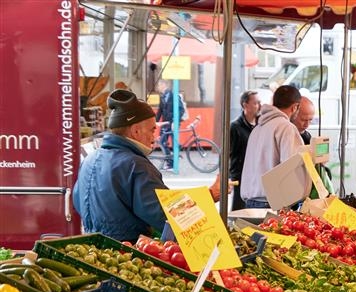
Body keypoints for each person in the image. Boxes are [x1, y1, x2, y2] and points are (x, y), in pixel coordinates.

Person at [73, 89, 224, 242]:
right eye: (152, 130)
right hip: (127, 255)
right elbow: (166, 214)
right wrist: (210, 195)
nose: (155, 136)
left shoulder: (89, 160)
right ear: (135, 131)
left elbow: (78, 202)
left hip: (92, 251)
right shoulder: (136, 166)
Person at [240, 85, 308, 208]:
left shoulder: (257, 128)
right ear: (295, 107)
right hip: (272, 204)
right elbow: (291, 168)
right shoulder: (286, 128)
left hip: (250, 202)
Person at [292, 96, 334, 196]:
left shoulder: (307, 136)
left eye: (310, 120)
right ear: (293, 113)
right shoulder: (286, 135)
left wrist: (321, 163)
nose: (307, 124)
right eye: (303, 119)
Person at [229, 90, 261, 211]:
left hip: (257, 175)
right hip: (240, 176)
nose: (258, 106)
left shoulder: (261, 125)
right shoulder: (235, 127)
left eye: (259, 102)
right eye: (255, 103)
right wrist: (229, 177)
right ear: (245, 105)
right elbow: (229, 153)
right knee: (238, 209)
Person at [155, 79, 185, 170]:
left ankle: (171, 164)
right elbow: (160, 110)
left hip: (172, 123)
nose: (158, 87)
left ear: (164, 85)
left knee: (174, 143)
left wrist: (175, 122)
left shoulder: (173, 95)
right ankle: (170, 162)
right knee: (162, 142)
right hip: (165, 123)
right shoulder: (162, 96)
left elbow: (181, 109)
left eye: (159, 85)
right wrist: (155, 121)